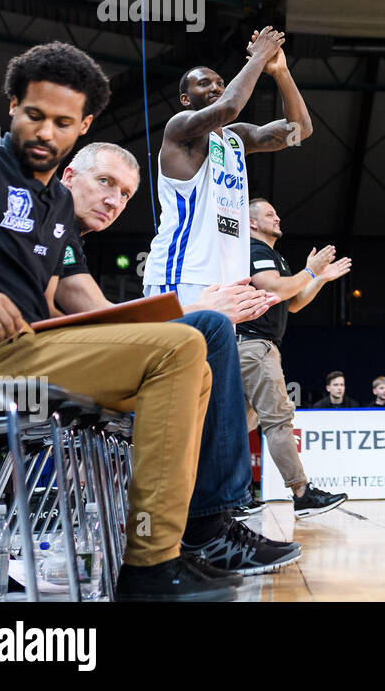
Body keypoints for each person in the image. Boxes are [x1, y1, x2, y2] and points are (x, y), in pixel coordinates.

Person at [0, 42, 235, 600]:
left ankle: (174, 541)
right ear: (12, 106)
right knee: (178, 348)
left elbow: (60, 302)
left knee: (192, 361)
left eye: (61, 122)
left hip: (28, 349)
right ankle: (149, 568)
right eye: (34, 115)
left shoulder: (56, 207)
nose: (44, 133)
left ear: (83, 126)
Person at [56, 141, 302, 574]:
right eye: (105, 182)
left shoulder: (67, 235)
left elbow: (95, 316)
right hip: (33, 367)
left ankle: (205, 523)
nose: (114, 200)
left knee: (206, 335)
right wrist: (193, 311)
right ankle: (208, 527)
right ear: (69, 177)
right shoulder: (50, 222)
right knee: (209, 329)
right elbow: (96, 319)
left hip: (66, 356)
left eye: (126, 194)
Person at [141, 25, 311, 300]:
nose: (215, 87)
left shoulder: (237, 138)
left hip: (228, 280)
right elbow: (230, 107)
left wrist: (281, 71)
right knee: (182, 345)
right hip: (182, 273)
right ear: (185, 99)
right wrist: (259, 56)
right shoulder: (179, 128)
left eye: (220, 82)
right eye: (204, 83)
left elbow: (299, 130)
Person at [238, 196, 350, 517]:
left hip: (256, 346)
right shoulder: (254, 251)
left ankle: (233, 496)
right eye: (270, 214)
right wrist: (308, 270)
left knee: (239, 423)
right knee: (278, 419)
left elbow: (294, 301)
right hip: (255, 345)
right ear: (252, 223)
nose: (278, 218)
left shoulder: (273, 255)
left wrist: (318, 277)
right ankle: (301, 494)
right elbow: (274, 288)